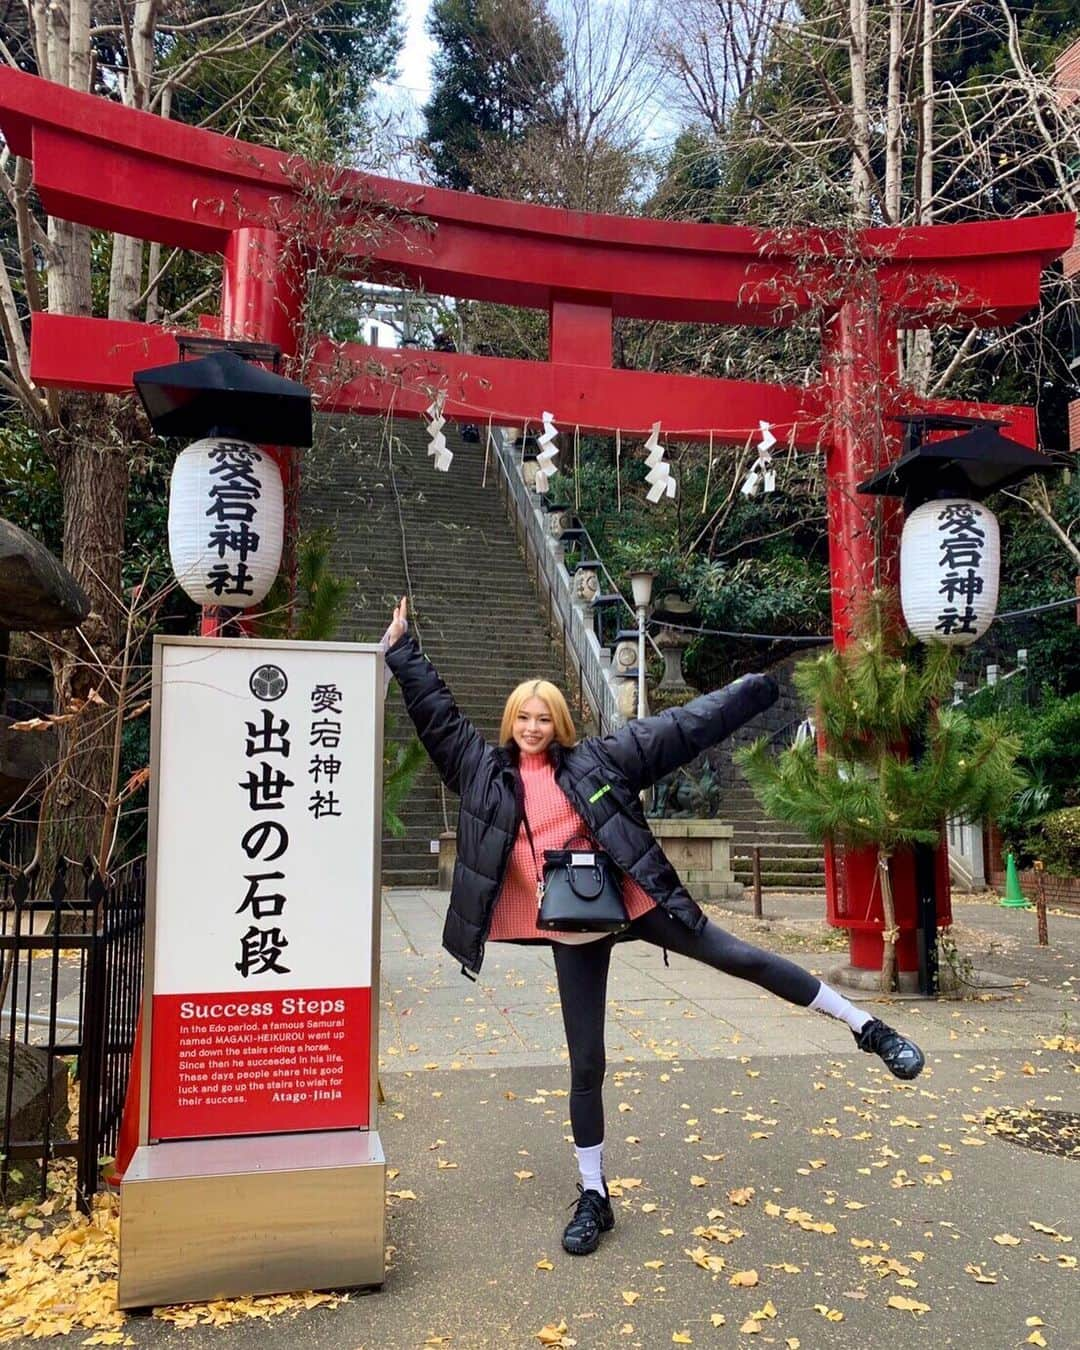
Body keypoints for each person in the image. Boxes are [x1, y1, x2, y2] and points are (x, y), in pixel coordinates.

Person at [382, 598, 925, 1257]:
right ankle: (594, 1196)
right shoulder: (480, 772)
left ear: (559, 722)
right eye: (522, 716)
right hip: (567, 930)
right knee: (587, 1064)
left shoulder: (598, 761)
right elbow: (437, 718)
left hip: (636, 901)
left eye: (542, 716)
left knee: (741, 957)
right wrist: (404, 651)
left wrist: (757, 690)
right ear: (509, 722)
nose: (531, 725)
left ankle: (869, 1029)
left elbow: (681, 727)